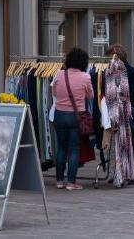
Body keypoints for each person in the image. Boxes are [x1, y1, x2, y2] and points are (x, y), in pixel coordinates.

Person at [53, 47, 93, 190]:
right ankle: (71, 182)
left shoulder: (59, 74)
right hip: (77, 116)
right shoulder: (86, 77)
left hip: (59, 114)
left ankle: (59, 180)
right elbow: (91, 96)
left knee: (61, 148)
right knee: (74, 149)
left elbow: (54, 93)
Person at [107, 44, 134, 184]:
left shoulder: (129, 71)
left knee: (130, 144)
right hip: (120, 111)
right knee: (118, 144)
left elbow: (132, 95)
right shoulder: (112, 70)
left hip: (129, 112)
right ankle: (119, 173)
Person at [103, 55, 134, 188]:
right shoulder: (123, 71)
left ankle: (120, 174)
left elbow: (111, 95)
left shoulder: (112, 71)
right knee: (122, 145)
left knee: (119, 144)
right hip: (122, 112)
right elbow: (125, 95)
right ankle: (122, 173)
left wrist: (114, 115)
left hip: (117, 112)